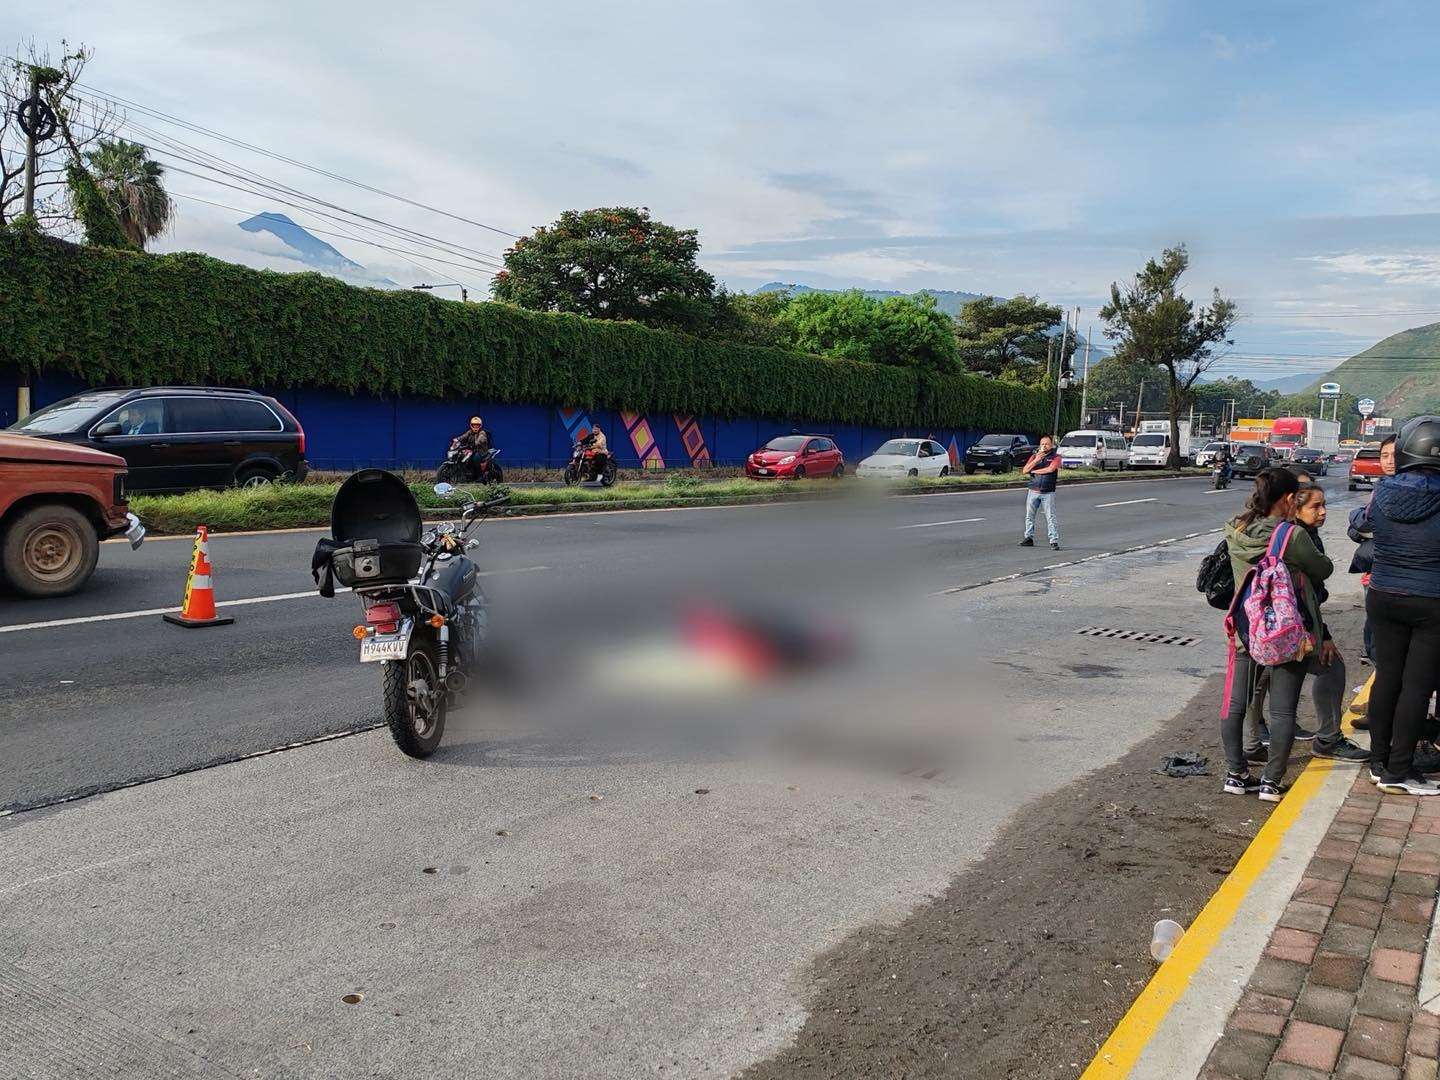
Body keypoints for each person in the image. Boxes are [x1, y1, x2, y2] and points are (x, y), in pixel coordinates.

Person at [1220, 469, 1333, 802]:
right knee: (1283, 711)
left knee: (1235, 704)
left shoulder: (1235, 529)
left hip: (1245, 629)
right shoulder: (1290, 536)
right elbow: (1323, 569)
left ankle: (1235, 774)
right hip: (1285, 633)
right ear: (1287, 500)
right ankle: (1270, 782)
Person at [1363, 417, 1440, 796]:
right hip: (1431, 602)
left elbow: (1362, 524)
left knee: (1387, 677)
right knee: (1416, 688)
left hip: (1382, 595)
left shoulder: (1384, 492)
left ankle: (1378, 762)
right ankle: (1399, 771)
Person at [1291, 484, 1368, 762]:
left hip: (1291, 625)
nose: (1323, 512)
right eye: (1315, 506)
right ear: (1295, 507)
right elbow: (1307, 590)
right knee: (1328, 666)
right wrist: (1321, 634)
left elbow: (1315, 592)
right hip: (1290, 627)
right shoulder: (1297, 538)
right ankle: (1326, 739)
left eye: (1324, 505)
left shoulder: (1305, 534)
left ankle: (1254, 746)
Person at [1019, 435, 1061, 550]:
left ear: (1051, 445)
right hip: (1033, 490)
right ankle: (1028, 538)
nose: (1044, 446)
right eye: (1042, 444)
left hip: (1048, 492)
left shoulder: (1056, 457)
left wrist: (1035, 471)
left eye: (1047, 444)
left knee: (1050, 516)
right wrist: (1036, 460)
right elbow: (1025, 470)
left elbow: (1050, 469)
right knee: (1029, 516)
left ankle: (1054, 540)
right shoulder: (1034, 456)